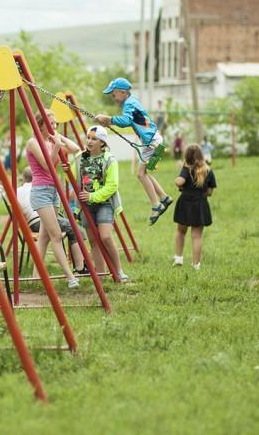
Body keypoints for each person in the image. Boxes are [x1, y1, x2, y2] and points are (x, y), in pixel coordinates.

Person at [95, 77, 171, 224]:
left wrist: (108, 119)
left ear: (123, 92)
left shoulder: (129, 104)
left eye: (114, 94)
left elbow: (126, 121)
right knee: (144, 173)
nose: (113, 97)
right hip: (154, 139)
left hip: (152, 142)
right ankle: (164, 197)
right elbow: (132, 120)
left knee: (141, 174)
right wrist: (110, 120)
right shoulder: (132, 101)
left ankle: (156, 205)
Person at [25, 110, 83, 288]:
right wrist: (57, 146)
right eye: (50, 123)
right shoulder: (33, 142)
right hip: (41, 192)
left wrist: (59, 138)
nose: (54, 126)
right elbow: (47, 166)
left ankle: (35, 278)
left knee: (44, 238)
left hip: (53, 191)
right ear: (40, 124)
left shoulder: (51, 140)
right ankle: (70, 278)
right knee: (57, 235)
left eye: (55, 123)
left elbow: (75, 149)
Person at [72, 126, 129, 283]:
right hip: (85, 205)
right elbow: (72, 176)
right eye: (88, 138)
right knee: (93, 241)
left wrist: (92, 196)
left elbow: (112, 186)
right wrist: (66, 170)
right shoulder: (80, 158)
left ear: (102, 143)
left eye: (94, 139)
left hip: (104, 203)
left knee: (105, 237)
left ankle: (119, 271)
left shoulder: (110, 160)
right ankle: (102, 276)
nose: (89, 141)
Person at [17, 167, 86, 273]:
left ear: (24, 178)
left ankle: (79, 265)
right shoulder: (41, 189)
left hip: (30, 225)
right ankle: (80, 267)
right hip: (41, 220)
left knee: (70, 227)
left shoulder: (18, 191)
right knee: (75, 229)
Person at [173, 144, 216, 270]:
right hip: (200, 205)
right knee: (197, 236)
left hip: (185, 203)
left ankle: (179, 258)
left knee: (181, 231)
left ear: (186, 157)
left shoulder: (186, 169)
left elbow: (180, 182)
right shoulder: (208, 170)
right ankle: (196, 264)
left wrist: (177, 182)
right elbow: (210, 192)